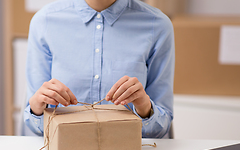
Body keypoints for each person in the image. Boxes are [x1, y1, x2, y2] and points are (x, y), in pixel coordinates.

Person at [24, 0, 174, 138]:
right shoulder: (44, 21)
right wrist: (37, 108)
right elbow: (33, 122)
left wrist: (144, 108)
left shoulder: (157, 25)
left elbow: (162, 125)